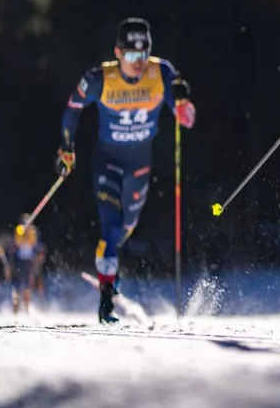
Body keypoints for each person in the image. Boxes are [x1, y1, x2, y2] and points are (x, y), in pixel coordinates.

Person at [56, 18, 196, 323]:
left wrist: (183, 101)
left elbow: (186, 120)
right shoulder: (99, 78)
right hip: (106, 162)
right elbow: (72, 110)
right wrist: (67, 148)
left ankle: (110, 270)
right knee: (110, 226)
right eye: (132, 56)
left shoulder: (161, 73)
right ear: (118, 52)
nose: (138, 62)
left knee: (125, 227)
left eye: (143, 54)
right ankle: (106, 301)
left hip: (139, 166)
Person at [0, 216, 47, 313]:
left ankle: (27, 310)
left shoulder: (34, 233)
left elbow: (40, 247)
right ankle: (15, 311)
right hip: (17, 264)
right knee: (16, 288)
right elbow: (11, 249)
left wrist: (40, 256)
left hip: (29, 264)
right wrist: (8, 266)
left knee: (27, 288)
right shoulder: (17, 233)